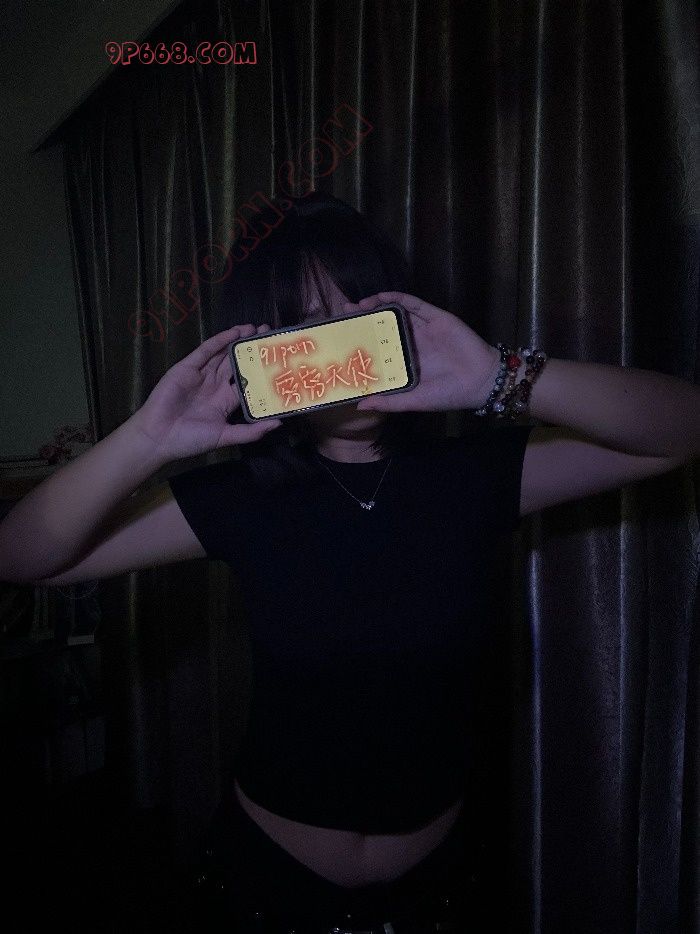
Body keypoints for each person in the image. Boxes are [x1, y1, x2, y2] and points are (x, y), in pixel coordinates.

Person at [0, 193, 696, 934]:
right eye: (309, 326)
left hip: (444, 889)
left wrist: (499, 375)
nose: (342, 346)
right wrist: (149, 437)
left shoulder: (472, 474)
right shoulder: (240, 497)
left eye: (362, 313)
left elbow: (681, 431)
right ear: (268, 353)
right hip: (265, 888)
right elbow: (22, 556)